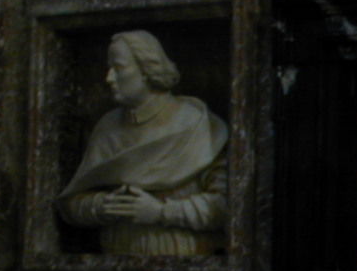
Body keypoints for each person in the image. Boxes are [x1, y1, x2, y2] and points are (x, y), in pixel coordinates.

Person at [56, 30, 228, 255]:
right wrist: (102, 205)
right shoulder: (107, 127)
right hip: (114, 261)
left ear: (148, 70)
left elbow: (226, 206)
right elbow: (71, 204)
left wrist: (161, 212)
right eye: (109, 68)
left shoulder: (197, 124)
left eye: (119, 68)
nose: (109, 78)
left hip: (185, 259)